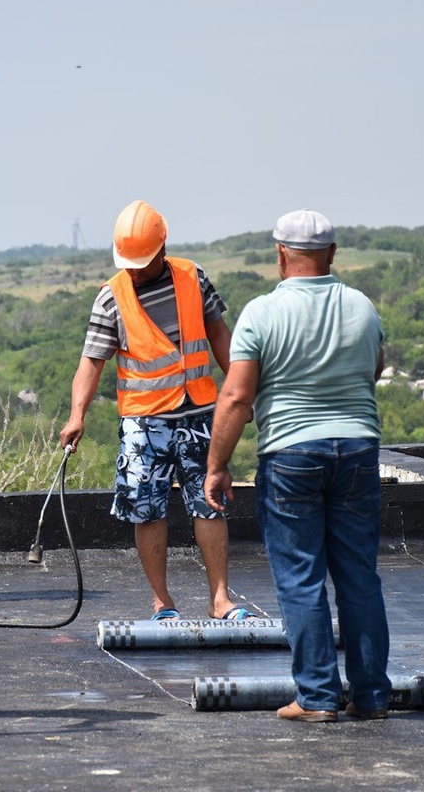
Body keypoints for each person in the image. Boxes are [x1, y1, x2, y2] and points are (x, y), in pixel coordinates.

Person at [204, 209, 391, 723]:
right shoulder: (361, 306)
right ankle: (372, 695)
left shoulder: (261, 314)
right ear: (332, 254)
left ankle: (317, 697)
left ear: (280, 255)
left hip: (289, 456)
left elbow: (238, 398)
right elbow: (374, 369)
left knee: (301, 579)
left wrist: (217, 466)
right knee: (359, 576)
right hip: (356, 450)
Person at [59, 200, 244, 622]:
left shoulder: (192, 277)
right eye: (130, 263)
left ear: (163, 248)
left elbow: (219, 333)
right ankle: (162, 602)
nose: (136, 271)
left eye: (143, 262)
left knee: (210, 503)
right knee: (146, 509)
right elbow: (91, 362)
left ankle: (221, 600)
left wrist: (239, 390)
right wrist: (77, 415)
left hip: (198, 414)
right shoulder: (111, 297)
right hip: (144, 422)